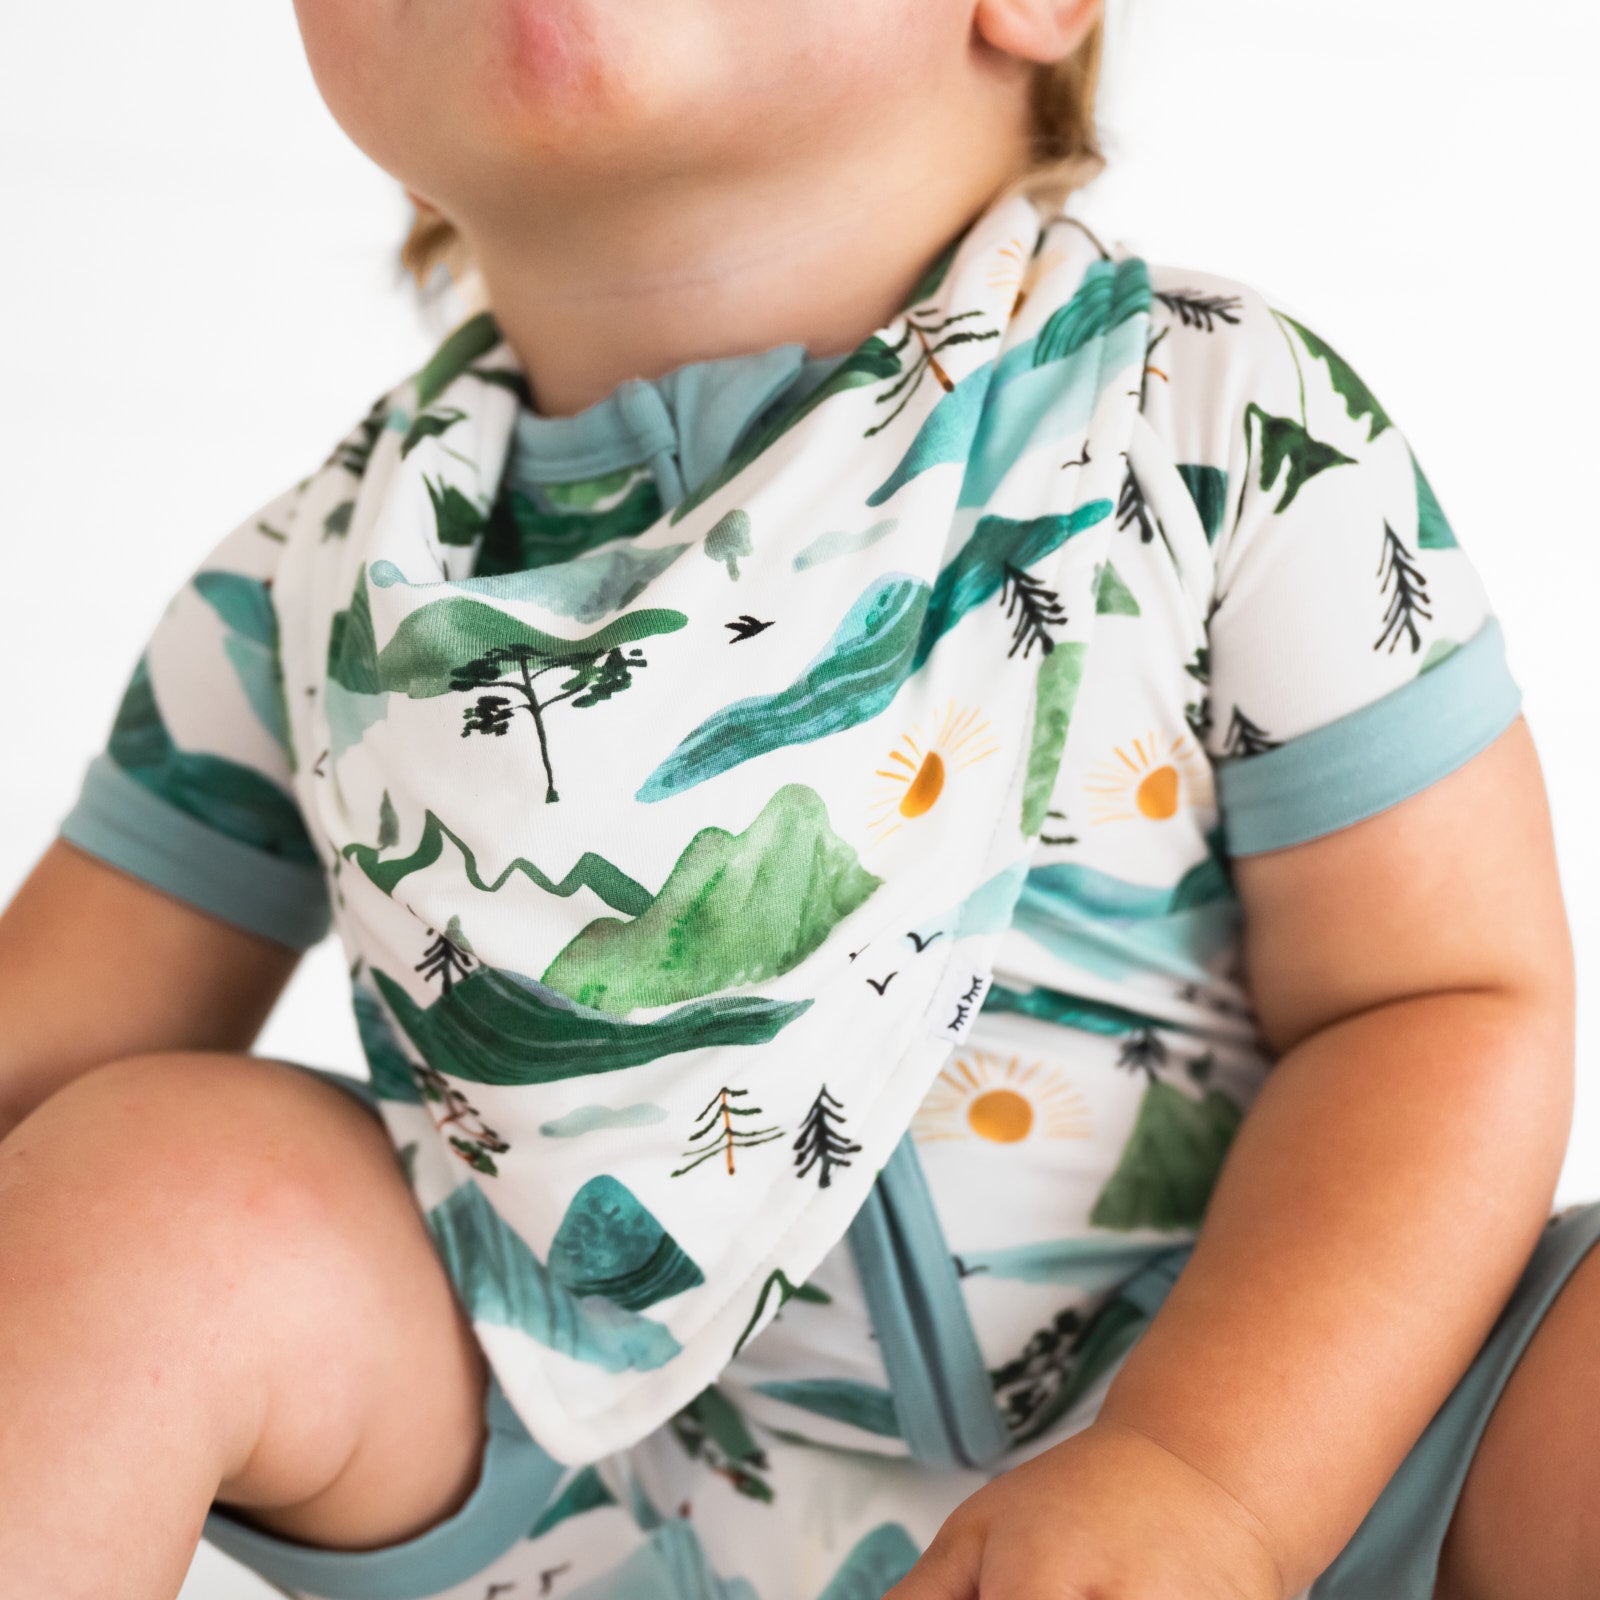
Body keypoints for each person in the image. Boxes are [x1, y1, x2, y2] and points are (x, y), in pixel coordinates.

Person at [0, 3, 1591, 1598]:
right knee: (123, 1194)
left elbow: (1438, 998)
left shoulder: (1207, 422)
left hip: (1307, 1454)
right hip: (586, 1497)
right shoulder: (313, 588)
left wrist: (1212, 1482)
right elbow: (35, 1074)